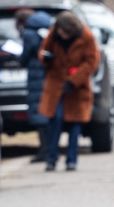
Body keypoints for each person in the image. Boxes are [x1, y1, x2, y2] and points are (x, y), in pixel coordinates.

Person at [38, 11, 100, 172]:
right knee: (55, 120)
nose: (63, 36)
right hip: (56, 83)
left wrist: (74, 80)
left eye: (66, 33)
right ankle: (51, 158)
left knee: (74, 123)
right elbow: (43, 51)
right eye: (61, 32)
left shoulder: (86, 37)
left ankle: (71, 160)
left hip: (77, 87)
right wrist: (46, 58)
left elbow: (91, 62)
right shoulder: (53, 35)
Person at [16, 8, 53, 162]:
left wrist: (19, 58)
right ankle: (50, 149)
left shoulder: (29, 34)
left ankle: (43, 151)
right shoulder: (48, 28)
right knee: (47, 113)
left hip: (35, 78)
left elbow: (24, 58)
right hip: (48, 76)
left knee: (39, 114)